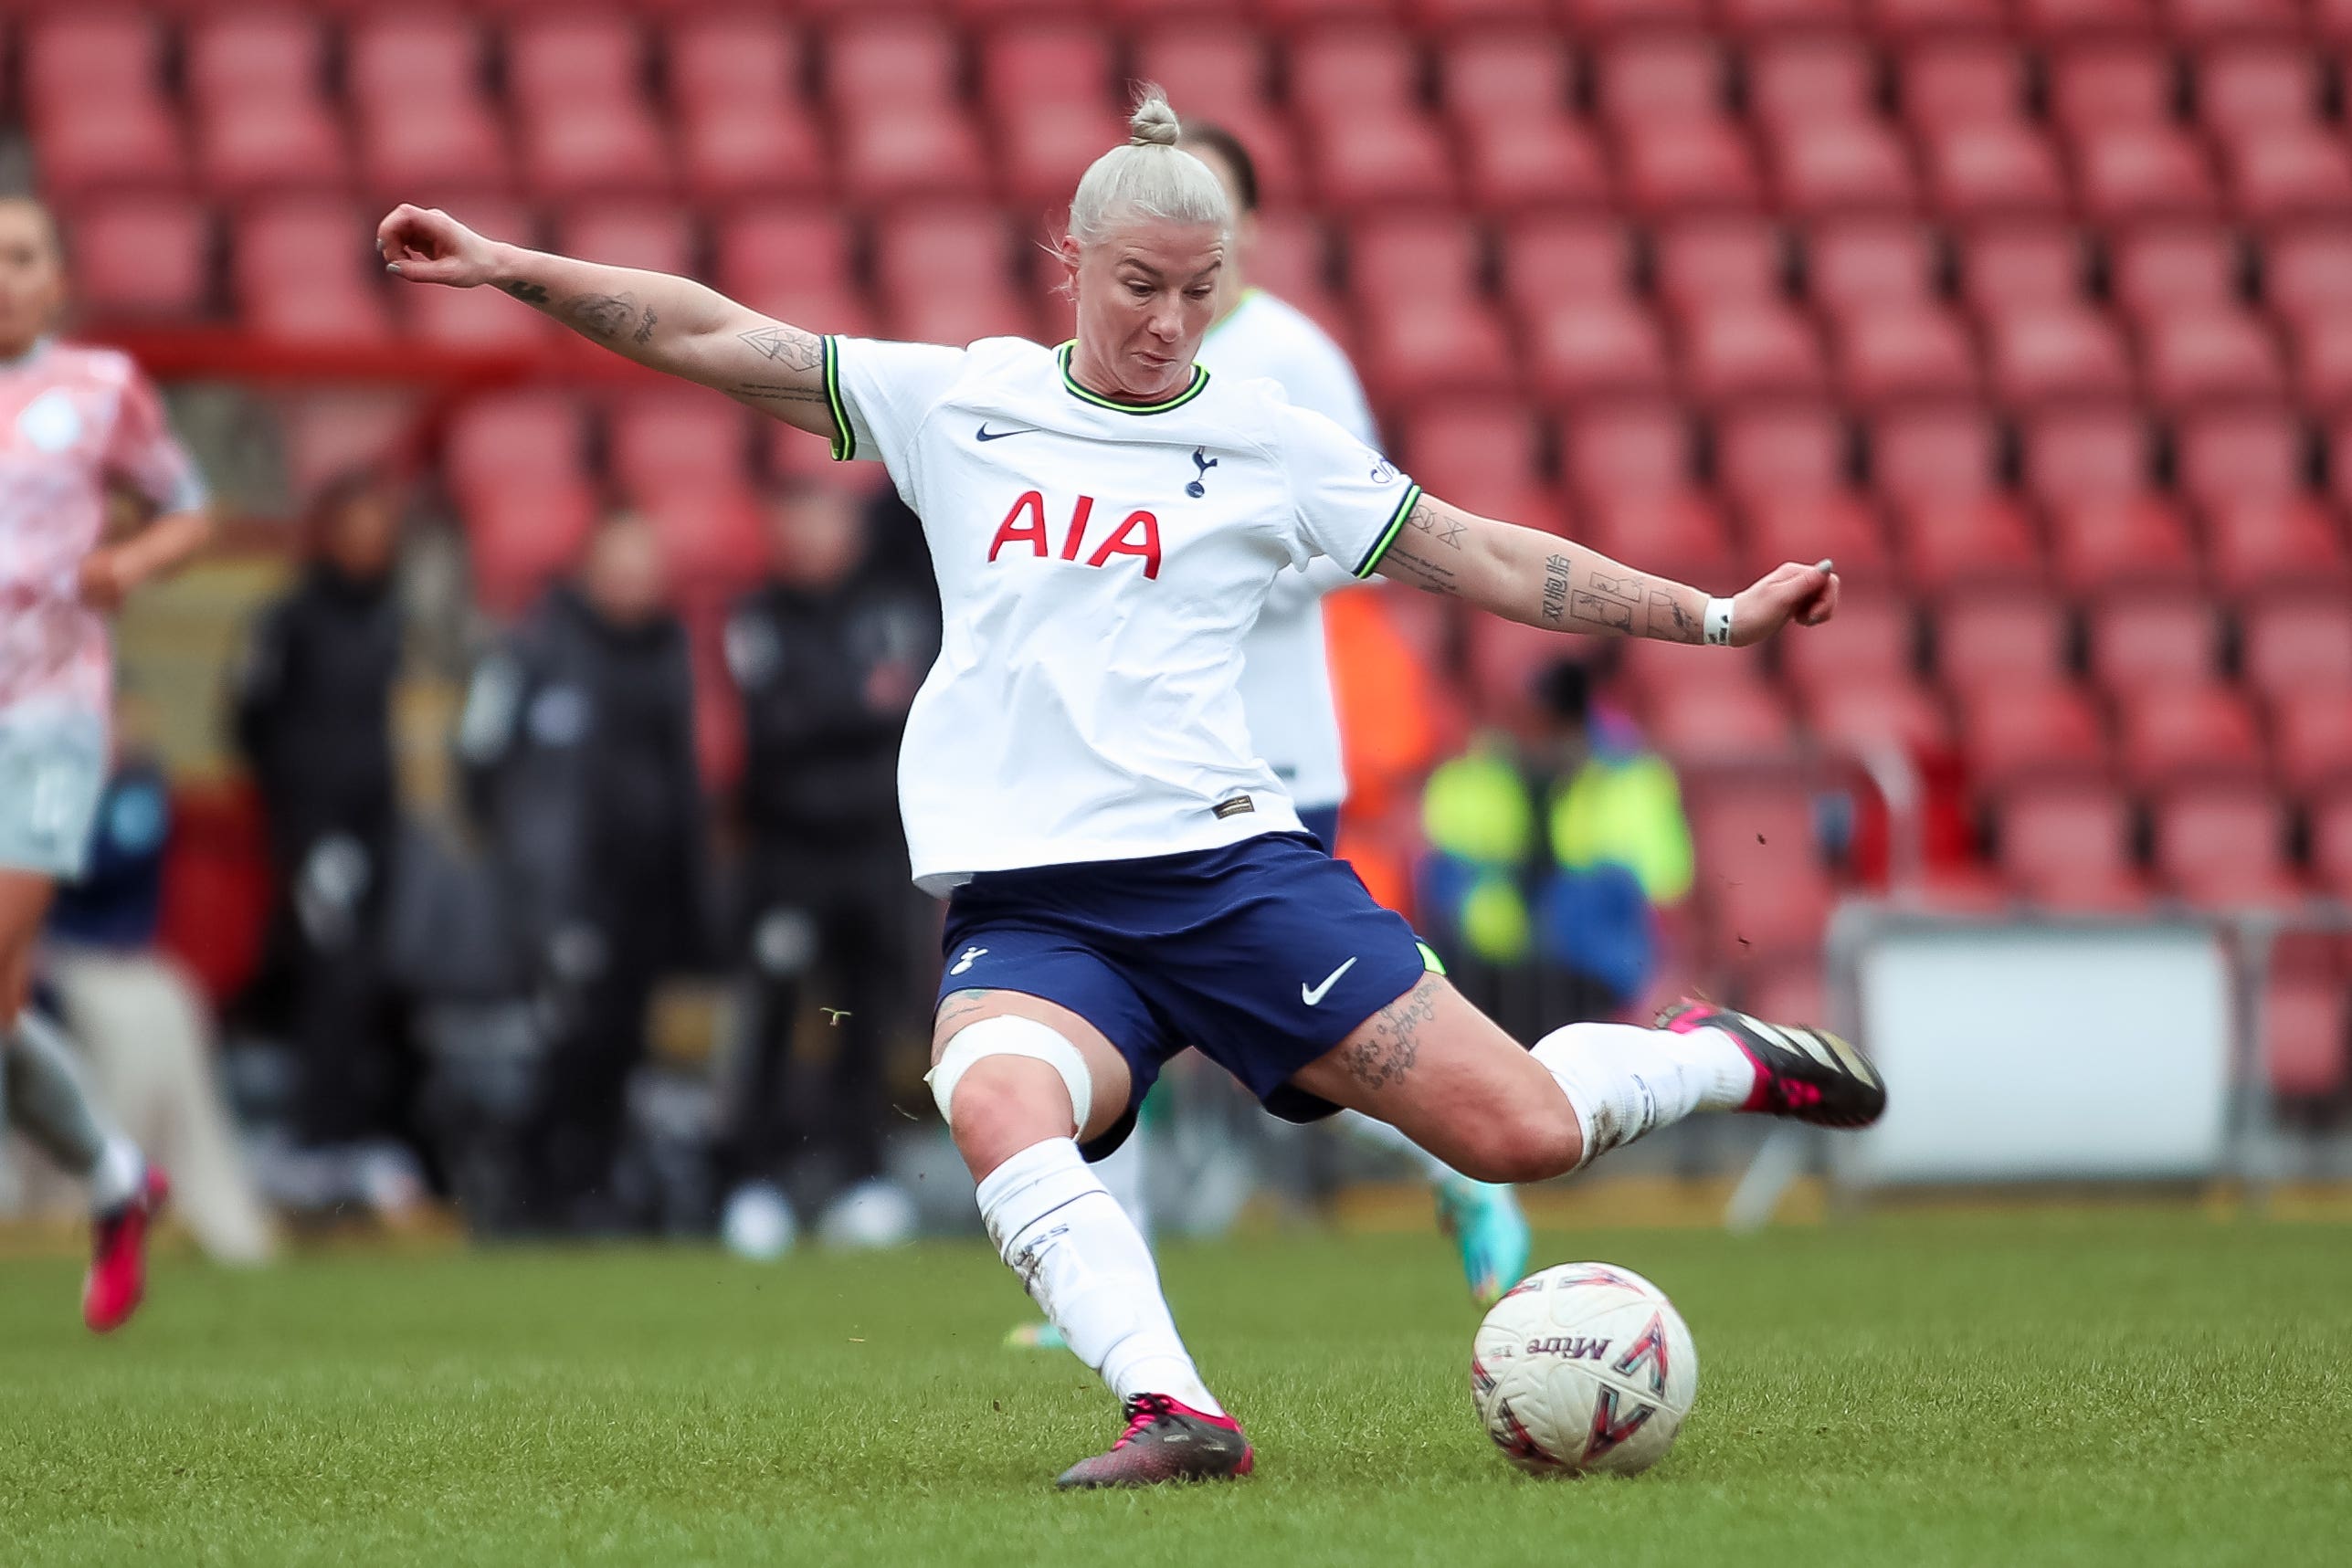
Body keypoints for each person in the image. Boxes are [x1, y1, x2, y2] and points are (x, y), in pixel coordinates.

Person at [377, 88, 1875, 1487]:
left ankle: (1710, 1052)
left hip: (1233, 878)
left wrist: (1711, 616)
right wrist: (510, 265)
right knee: (989, 1088)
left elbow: (1483, 554)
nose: (1168, 322)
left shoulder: (1271, 442)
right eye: (1139, 285)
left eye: (1198, 290)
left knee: (1525, 1133)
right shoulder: (961, 405)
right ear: (1072, 261)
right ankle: (1175, 1403)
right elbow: (715, 334)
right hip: (1037, 909)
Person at [0, 193, 206, 1331]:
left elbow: (191, 507)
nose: (2, 275)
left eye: (22, 255)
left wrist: (132, 564)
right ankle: (119, 1177)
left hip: (48, 718)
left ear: (56, 280)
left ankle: (115, 1177)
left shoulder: (99, 390)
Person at [454, 510, 710, 1230]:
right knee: (566, 1043)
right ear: (588, 566)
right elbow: (476, 760)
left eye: (644, 564)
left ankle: (593, 1188)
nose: (633, 581)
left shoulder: (667, 649)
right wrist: (522, 868)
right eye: (619, 563)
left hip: (645, 892)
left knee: (621, 1045)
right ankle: (530, 1192)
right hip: (563, 895)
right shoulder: (532, 649)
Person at [719, 479, 938, 1254]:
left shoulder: (894, 609)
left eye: (825, 516)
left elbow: (911, 722)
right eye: (797, 516)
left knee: (866, 1014)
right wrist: (857, 710)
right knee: (778, 1017)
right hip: (788, 854)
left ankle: (861, 1175)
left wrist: (838, 714)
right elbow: (779, 730)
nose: (812, 535)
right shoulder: (758, 617)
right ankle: (754, 1179)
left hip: (876, 851)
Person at [232, 469, 421, 1214]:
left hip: (375, 829)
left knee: (364, 981)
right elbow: (250, 722)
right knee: (327, 982)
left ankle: (347, 1137)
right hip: (317, 833)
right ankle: (313, 1142)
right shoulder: (290, 621)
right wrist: (304, 823)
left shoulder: (384, 618)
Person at [34, 713, 275, 1264]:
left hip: (123, 960)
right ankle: (83, 1192)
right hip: (60, 958)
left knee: (164, 1011)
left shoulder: (136, 789)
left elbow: (92, 860)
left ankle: (153, 1188)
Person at [1420, 658, 1693, 1037]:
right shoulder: (1470, 774)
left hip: (1591, 969)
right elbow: (1445, 880)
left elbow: (1664, 880)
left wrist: (1567, 901)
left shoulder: (1634, 776)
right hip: (1487, 968)